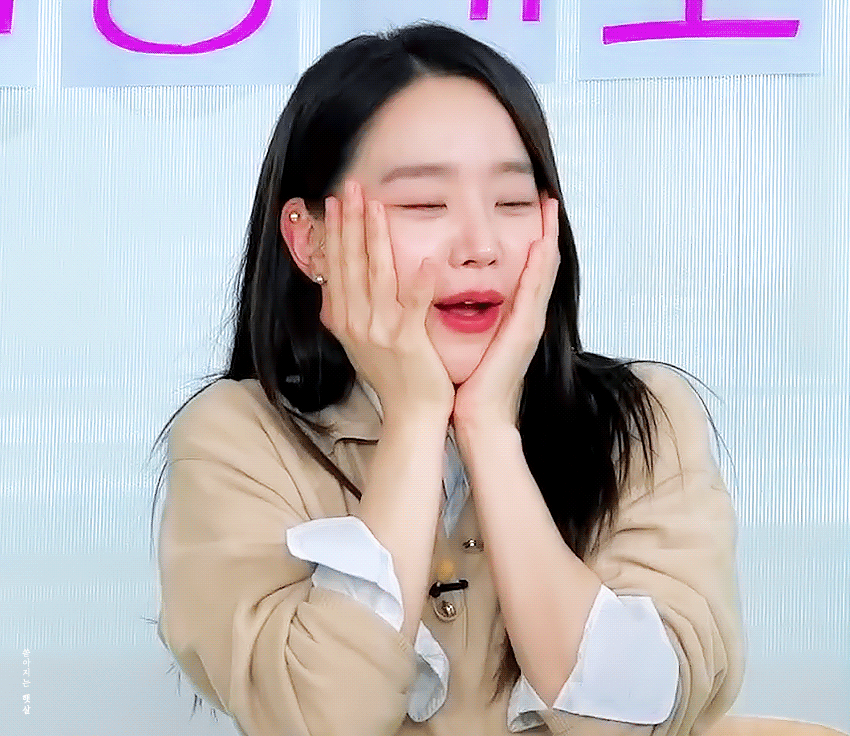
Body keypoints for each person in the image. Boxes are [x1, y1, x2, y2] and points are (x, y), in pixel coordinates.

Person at [153, 22, 744, 736]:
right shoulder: (237, 438)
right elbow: (318, 720)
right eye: (424, 205)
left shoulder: (645, 420)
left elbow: (632, 718)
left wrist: (489, 431)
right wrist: (413, 420)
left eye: (513, 203)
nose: (481, 247)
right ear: (311, 241)